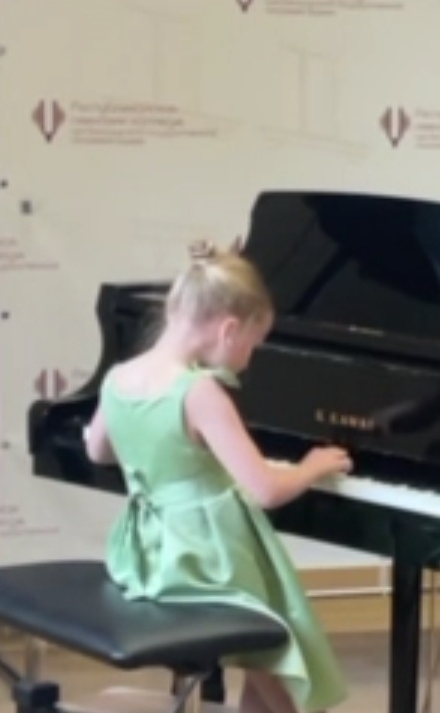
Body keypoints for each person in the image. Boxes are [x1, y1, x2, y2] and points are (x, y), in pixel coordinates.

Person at [81, 239, 353, 713]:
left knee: (267, 642)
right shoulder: (199, 392)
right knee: (279, 638)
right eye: (253, 344)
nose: (250, 359)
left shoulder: (118, 377)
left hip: (148, 556)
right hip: (206, 560)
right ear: (229, 330)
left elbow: (97, 450)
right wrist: (311, 467)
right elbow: (265, 489)